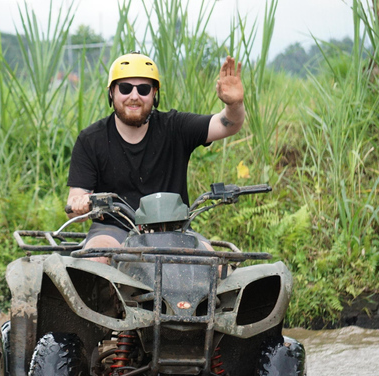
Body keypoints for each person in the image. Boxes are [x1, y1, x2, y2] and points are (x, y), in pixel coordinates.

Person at [66, 51, 245, 260]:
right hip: (113, 230)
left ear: (154, 94)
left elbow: (226, 125)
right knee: (97, 256)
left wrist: (234, 105)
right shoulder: (91, 139)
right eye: (125, 88)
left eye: (143, 89)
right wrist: (81, 204)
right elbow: (73, 206)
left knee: (215, 265)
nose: (134, 96)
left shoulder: (175, 127)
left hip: (173, 230)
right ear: (111, 93)